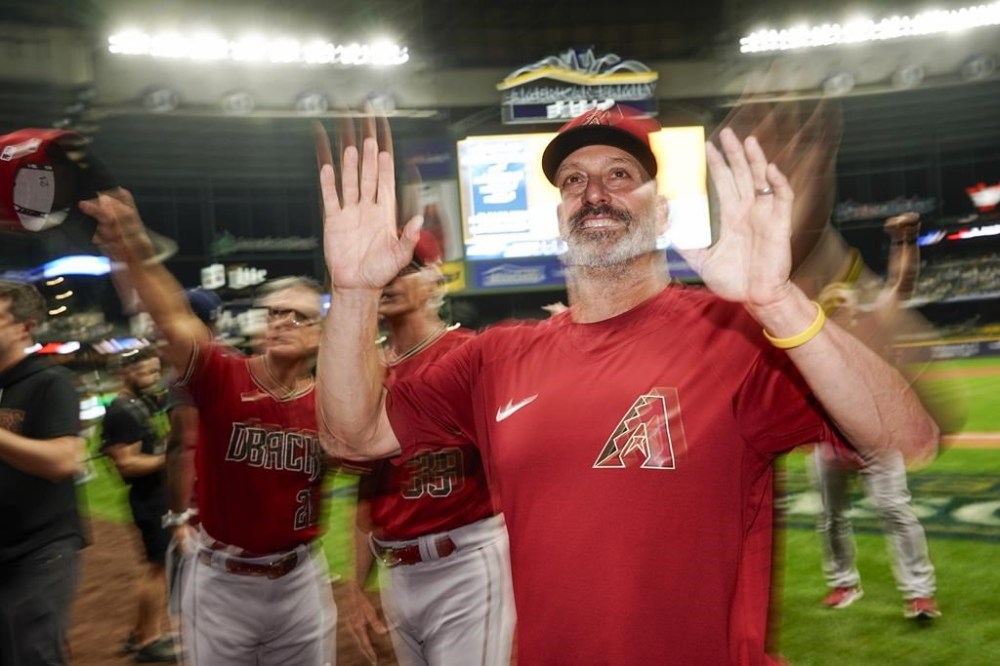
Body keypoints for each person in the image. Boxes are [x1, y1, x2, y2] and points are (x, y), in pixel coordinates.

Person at [314, 104, 940, 664]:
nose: (594, 193)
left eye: (620, 174)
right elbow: (354, 432)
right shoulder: (497, 356)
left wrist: (777, 302)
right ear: (560, 214)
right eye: (573, 180)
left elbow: (905, 436)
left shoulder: (734, 335)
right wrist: (352, 291)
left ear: (661, 209)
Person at [80, 190, 337, 666]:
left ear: (320, 333)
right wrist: (131, 243)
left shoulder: (331, 404)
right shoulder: (225, 376)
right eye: (273, 312)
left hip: (300, 577)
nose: (281, 321)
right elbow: (175, 319)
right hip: (223, 580)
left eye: (297, 315)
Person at [344, 230, 514, 666]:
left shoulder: (470, 356)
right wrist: (356, 587)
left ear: (436, 281)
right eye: (382, 271)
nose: (390, 280)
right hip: (396, 571)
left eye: (406, 269)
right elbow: (365, 492)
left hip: (465, 561)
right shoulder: (366, 373)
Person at [812, 213, 939, 619]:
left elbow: (901, 285)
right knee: (831, 519)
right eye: (830, 309)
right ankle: (843, 583)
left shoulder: (873, 325)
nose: (838, 313)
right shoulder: (812, 346)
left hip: (876, 438)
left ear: (853, 308)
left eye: (842, 306)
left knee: (898, 514)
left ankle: (919, 594)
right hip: (831, 442)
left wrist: (906, 240)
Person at [0, 279, 84, 665]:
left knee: (34, 652)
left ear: (25, 327)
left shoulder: (50, 382)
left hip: (42, 548)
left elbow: (63, 461)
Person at [101, 346, 181, 662]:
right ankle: (150, 640)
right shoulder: (123, 409)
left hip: (157, 496)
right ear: (124, 372)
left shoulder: (140, 402)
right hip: (150, 499)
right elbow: (128, 464)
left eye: (153, 370)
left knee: (160, 565)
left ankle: (139, 632)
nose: (150, 377)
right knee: (157, 568)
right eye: (142, 371)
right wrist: (170, 457)